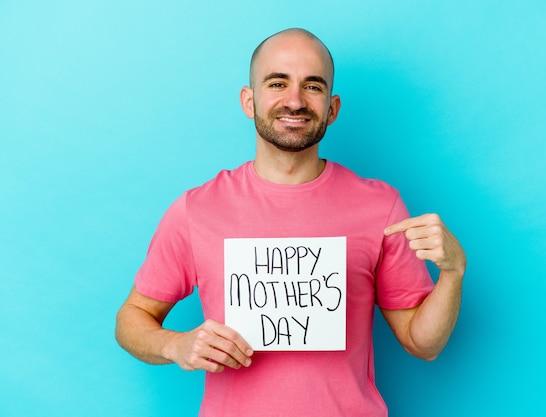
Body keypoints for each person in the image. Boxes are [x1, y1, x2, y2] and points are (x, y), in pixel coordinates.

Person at [115, 28, 466, 417]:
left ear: (332, 109)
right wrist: (175, 345)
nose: (295, 101)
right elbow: (131, 319)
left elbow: (423, 344)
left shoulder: (380, 207)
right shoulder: (197, 210)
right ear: (249, 101)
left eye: (312, 86)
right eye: (277, 83)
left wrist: (453, 274)